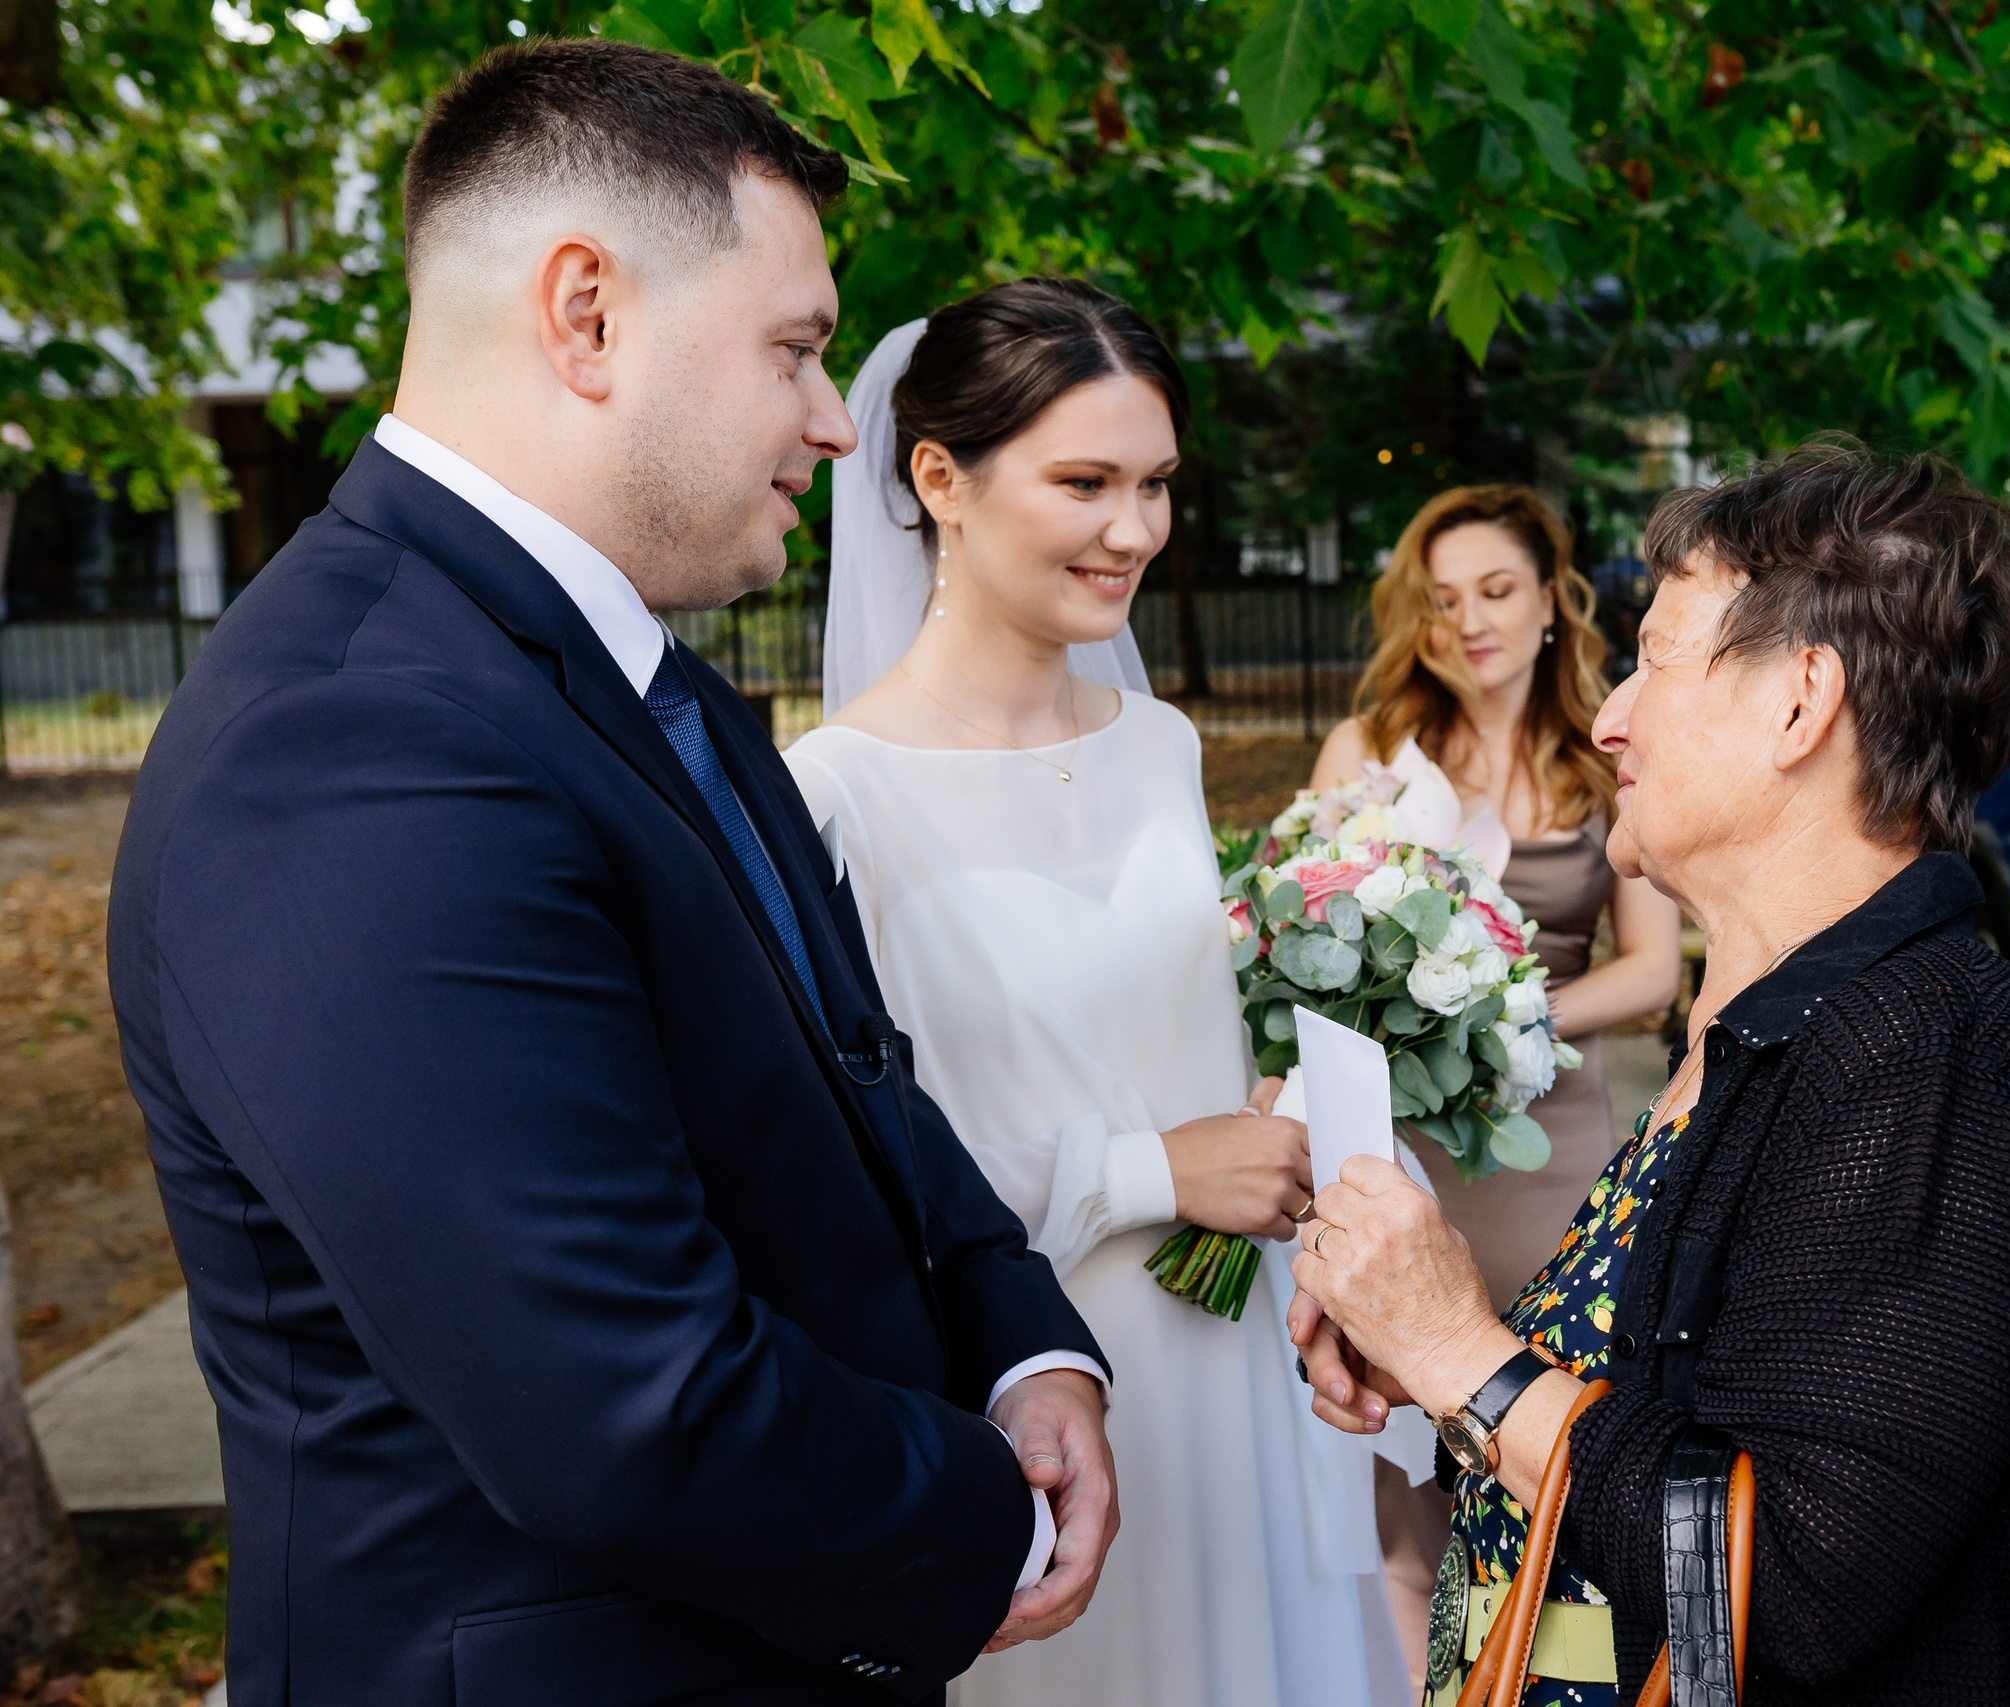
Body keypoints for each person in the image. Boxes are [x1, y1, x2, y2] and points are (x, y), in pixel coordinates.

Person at [107, 42, 1115, 1707]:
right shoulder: (354, 742)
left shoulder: (650, 684)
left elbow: (853, 1083)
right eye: (795, 348)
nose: (830, 419)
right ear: (585, 315)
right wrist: (980, 1516)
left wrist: (1023, 1343)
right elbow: (620, 1403)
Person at [1288, 443, 2010, 1705]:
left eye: (1656, 660)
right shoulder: (1775, 1026)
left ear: (1800, 703)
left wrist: (1465, 1357)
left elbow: (1788, 1586)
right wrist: (1432, 1351)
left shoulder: (1924, 1059)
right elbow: (1666, 1403)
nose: (1609, 715)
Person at [782, 281, 1407, 1707]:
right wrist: (1151, 1168)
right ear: (939, 479)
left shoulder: (1162, 743)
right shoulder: (838, 795)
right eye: (1085, 483)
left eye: (1156, 484)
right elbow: (855, 1183)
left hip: (1241, 1356)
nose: (1134, 529)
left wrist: (1281, 1124)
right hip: (1050, 1381)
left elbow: (1187, 1042)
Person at [1310, 485, 1683, 1687]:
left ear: (1549, 602)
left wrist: (1498, 1019)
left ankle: (1529, 1673)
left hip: (1551, 1144)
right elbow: (1306, 941)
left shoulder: (1603, 754)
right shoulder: (1367, 754)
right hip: (1409, 1149)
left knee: (1537, 1433)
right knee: (1400, 1457)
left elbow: (1652, 969)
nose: (1468, 621)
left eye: (1495, 590)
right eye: (1440, 600)